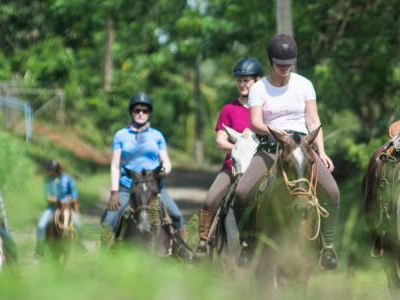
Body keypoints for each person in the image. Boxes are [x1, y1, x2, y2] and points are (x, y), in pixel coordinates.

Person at [233, 34, 340, 269]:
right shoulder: (259, 88)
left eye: (289, 64)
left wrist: (321, 152)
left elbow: (313, 121)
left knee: (332, 192)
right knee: (241, 192)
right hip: (272, 146)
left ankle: (328, 247)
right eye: (280, 64)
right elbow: (256, 123)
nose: (285, 68)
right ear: (271, 60)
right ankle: (247, 244)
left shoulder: (304, 84)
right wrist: (277, 133)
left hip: (302, 146)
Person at [196, 57, 264, 255]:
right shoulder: (229, 109)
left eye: (247, 80)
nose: (242, 85)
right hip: (233, 168)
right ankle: (203, 244)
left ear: (257, 81)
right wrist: (241, 149)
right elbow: (220, 142)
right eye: (239, 80)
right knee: (210, 200)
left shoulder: (265, 110)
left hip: (261, 167)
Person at [101, 93, 186, 240]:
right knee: (108, 222)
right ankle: (105, 260)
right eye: (137, 110)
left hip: (154, 187)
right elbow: (115, 165)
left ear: (149, 113)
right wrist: (114, 192)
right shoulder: (120, 135)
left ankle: (185, 257)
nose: (140, 113)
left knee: (177, 217)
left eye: (144, 110)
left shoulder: (157, 136)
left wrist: (163, 173)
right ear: (132, 112)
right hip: (128, 187)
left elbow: (166, 162)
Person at [35, 160, 84, 257]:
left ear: (55, 170)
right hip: (52, 207)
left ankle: (79, 245)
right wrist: (57, 201)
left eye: (50, 169)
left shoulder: (68, 179)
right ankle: (39, 248)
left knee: (79, 224)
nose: (48, 171)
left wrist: (75, 208)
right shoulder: (47, 180)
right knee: (41, 225)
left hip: (67, 207)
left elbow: (74, 195)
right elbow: (47, 196)